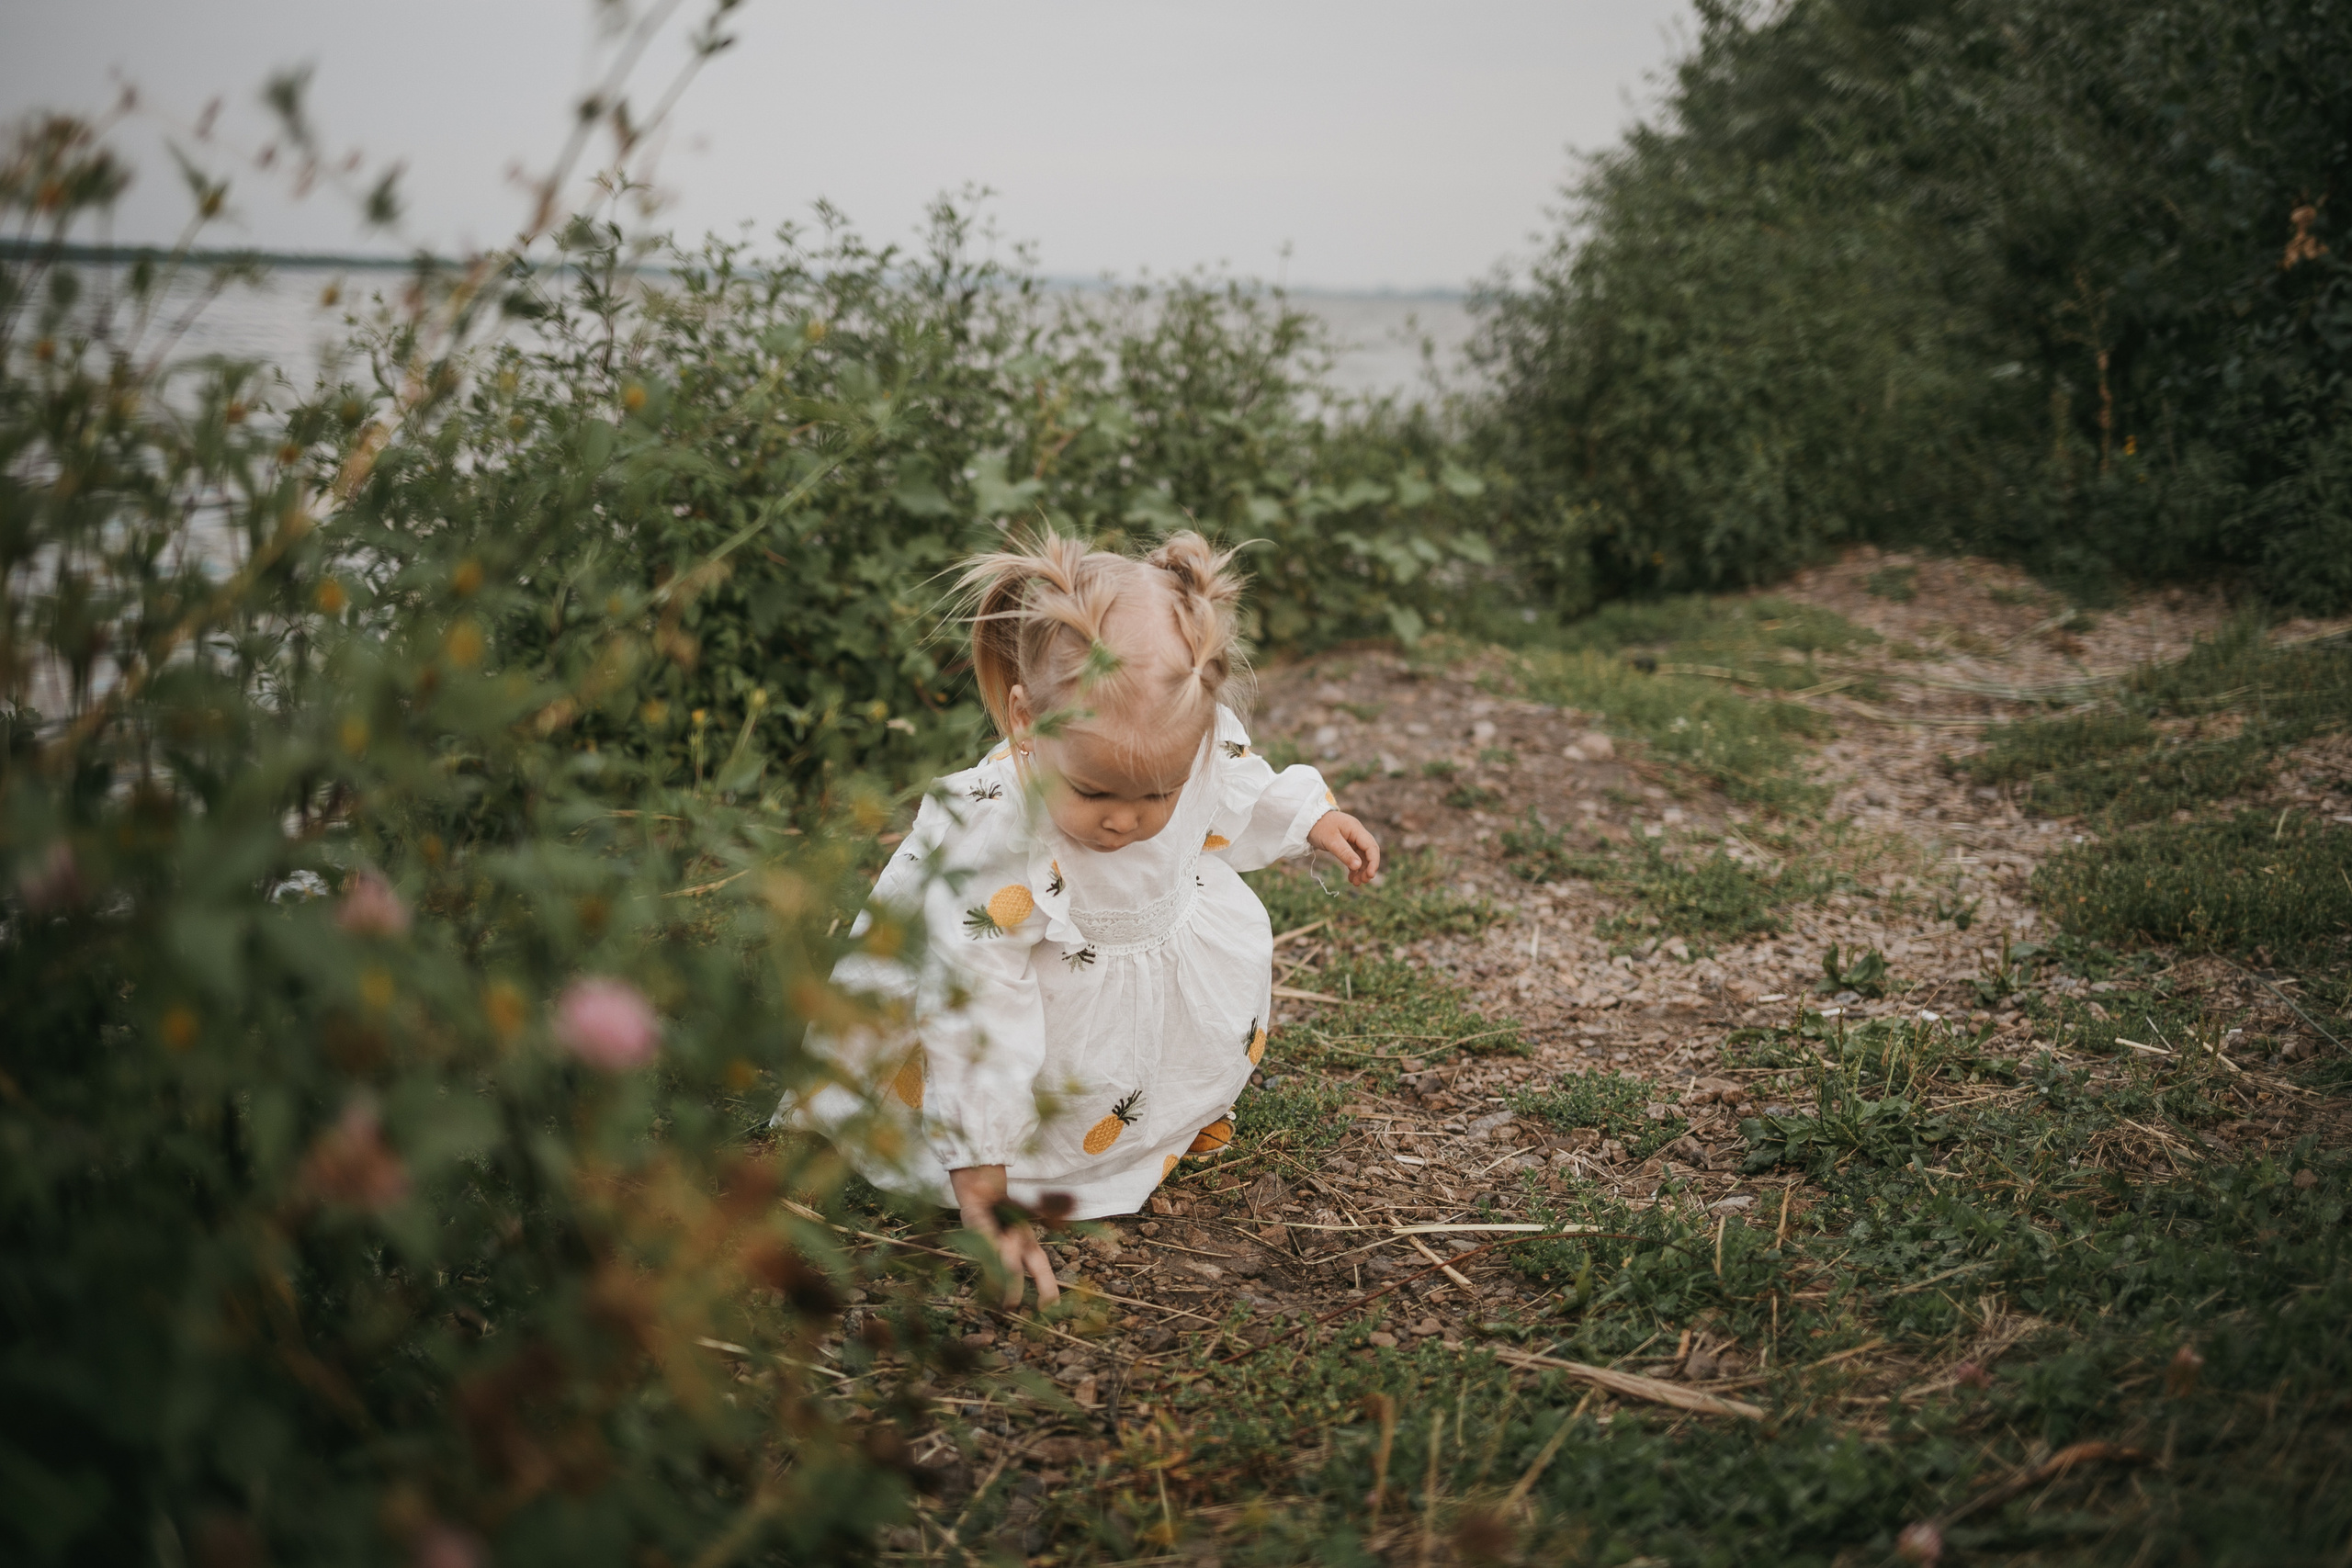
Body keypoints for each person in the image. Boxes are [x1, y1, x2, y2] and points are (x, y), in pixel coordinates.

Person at [775, 530, 1381, 1307]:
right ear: (1027, 724)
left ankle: (1155, 1126)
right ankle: (1022, 1163)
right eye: (1095, 793)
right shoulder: (1005, 853)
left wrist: (1307, 818)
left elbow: (1233, 783)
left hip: (1144, 961)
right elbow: (976, 1020)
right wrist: (984, 1188)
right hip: (1029, 991)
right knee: (1040, 1091)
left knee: (1150, 1061)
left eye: (1156, 794)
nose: (1126, 821)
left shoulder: (1186, 745)